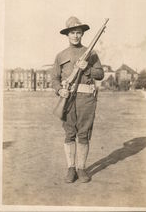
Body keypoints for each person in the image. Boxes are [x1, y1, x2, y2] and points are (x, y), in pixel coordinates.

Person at [52, 17, 104, 183]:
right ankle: (71, 168)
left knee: (83, 134)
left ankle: (81, 168)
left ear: (82, 34)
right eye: (72, 32)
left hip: (86, 100)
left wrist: (87, 67)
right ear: (67, 35)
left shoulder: (91, 53)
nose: (75, 36)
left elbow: (100, 74)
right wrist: (60, 90)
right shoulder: (60, 56)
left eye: (78, 33)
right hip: (68, 99)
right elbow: (54, 78)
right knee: (69, 134)